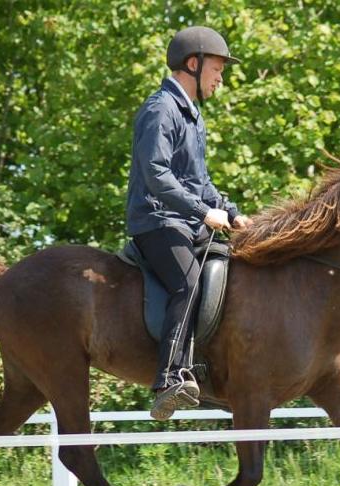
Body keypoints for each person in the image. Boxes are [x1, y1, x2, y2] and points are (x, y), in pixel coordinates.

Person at [126, 26, 252, 421]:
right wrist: (203, 212)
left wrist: (229, 211)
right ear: (193, 65)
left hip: (182, 220)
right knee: (189, 280)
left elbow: (200, 181)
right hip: (156, 221)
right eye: (217, 69)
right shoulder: (161, 109)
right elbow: (156, 174)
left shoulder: (191, 116)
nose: (221, 79)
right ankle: (168, 379)